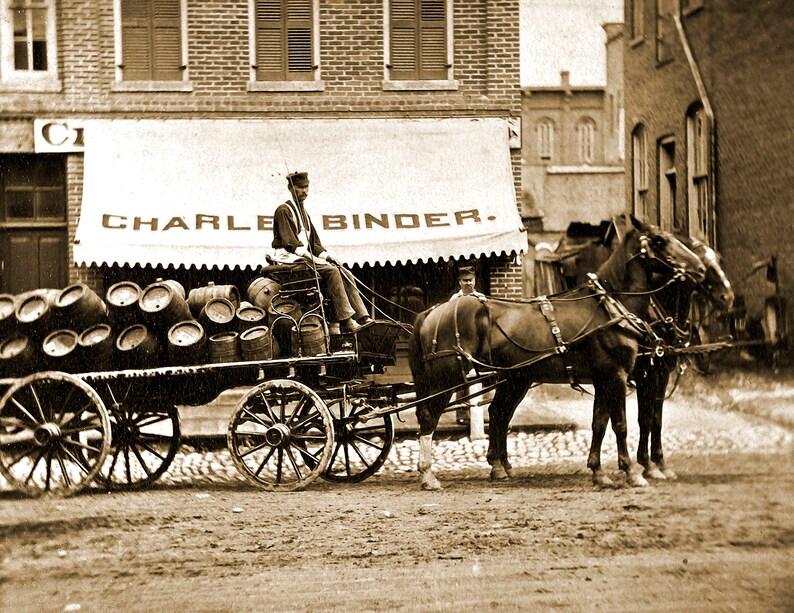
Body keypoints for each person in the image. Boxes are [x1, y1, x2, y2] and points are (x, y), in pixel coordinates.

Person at [271, 171, 372, 333]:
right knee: (331, 272)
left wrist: (329, 257)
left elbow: (315, 244)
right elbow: (291, 244)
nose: (304, 191)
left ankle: (363, 316)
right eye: (299, 187)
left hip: (303, 260)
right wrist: (314, 259)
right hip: (288, 261)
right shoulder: (284, 210)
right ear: (290, 188)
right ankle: (346, 320)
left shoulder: (304, 213)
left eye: (306, 187)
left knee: (343, 270)